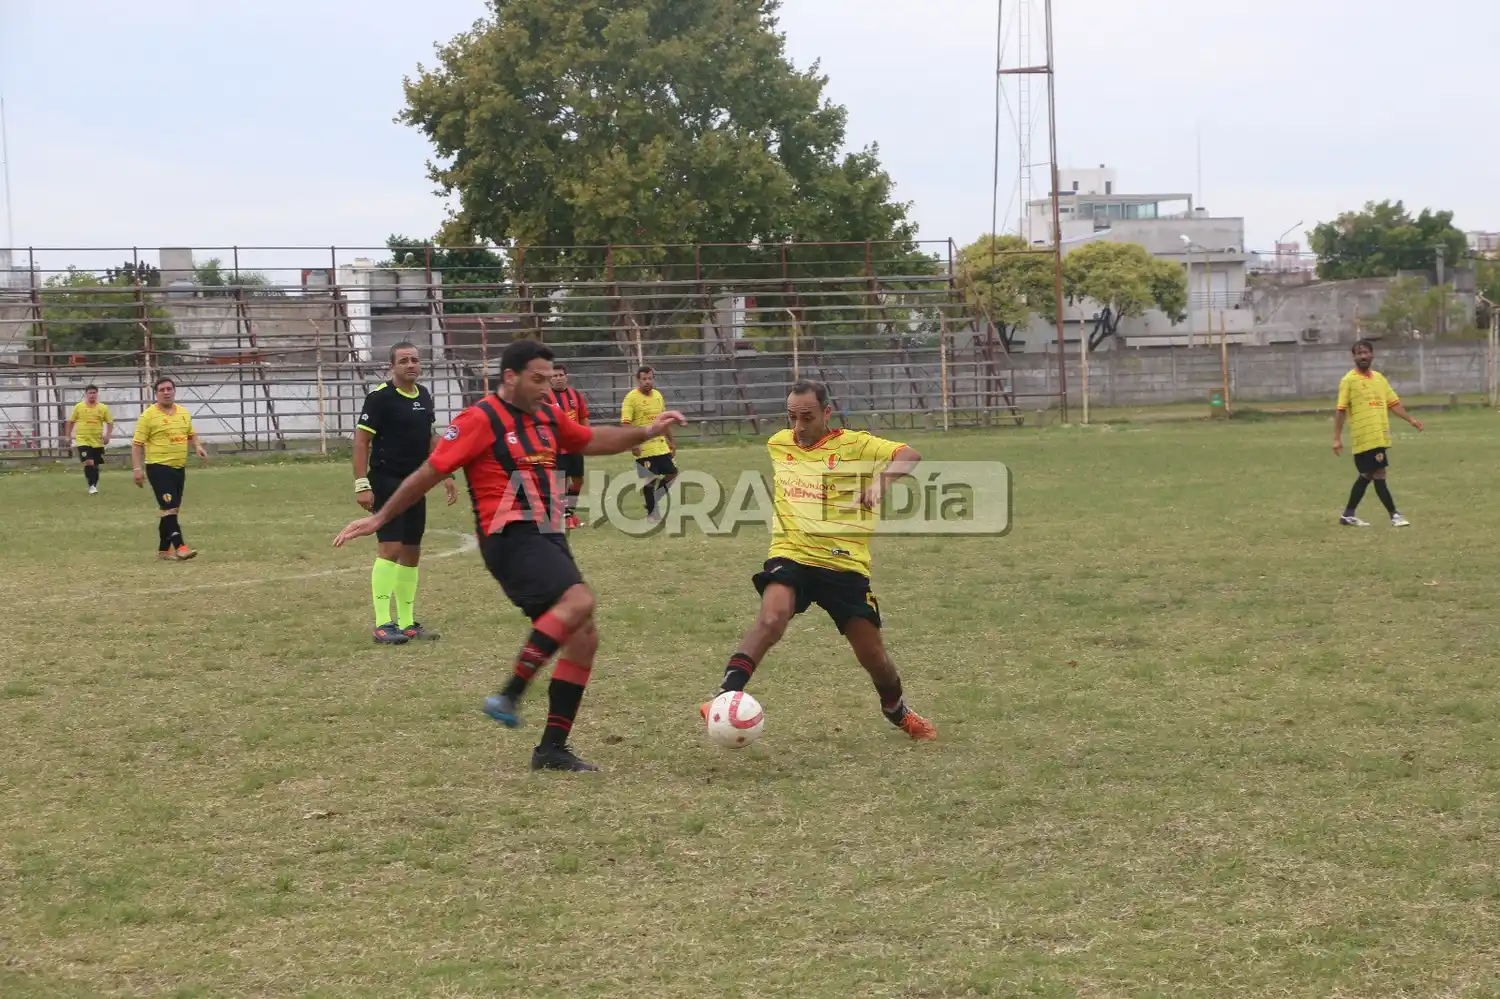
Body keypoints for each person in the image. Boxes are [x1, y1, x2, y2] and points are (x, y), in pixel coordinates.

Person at [333, 338, 686, 772]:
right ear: (511, 378)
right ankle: (510, 693)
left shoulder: (546, 414)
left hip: (547, 533)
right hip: (508, 535)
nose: (546, 387)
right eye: (537, 379)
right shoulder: (479, 419)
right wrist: (379, 516)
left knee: (584, 636)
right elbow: (429, 471)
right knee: (580, 602)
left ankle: (551, 749)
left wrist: (649, 431)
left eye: (548, 378)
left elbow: (592, 439)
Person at [700, 379, 937, 741]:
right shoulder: (778, 444)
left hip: (844, 564)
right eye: (792, 417)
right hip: (792, 554)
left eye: (807, 417)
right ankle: (725, 697)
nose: (798, 426)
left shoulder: (856, 444)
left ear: (827, 413)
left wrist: (880, 483)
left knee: (874, 657)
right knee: (771, 616)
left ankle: (896, 709)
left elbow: (910, 455)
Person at [354, 341, 459, 645]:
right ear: (392, 366)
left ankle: (407, 621)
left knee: (412, 551)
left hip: (416, 482)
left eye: (414, 360)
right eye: (404, 361)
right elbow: (361, 442)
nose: (411, 365)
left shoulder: (424, 395)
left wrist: (446, 472)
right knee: (391, 548)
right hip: (387, 480)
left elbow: (429, 438)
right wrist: (362, 483)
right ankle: (382, 623)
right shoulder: (380, 398)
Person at [1334, 338, 1423, 527]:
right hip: (1364, 437)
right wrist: (1337, 438)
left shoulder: (1380, 379)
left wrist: (1411, 420)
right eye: (1359, 353)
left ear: (1372, 354)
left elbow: (1394, 404)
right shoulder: (1349, 380)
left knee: (1367, 475)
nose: (1363, 356)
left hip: (1379, 436)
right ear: (1354, 357)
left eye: (1366, 352)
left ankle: (1348, 515)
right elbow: (1341, 409)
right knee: (1379, 474)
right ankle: (1394, 515)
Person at [132, 376, 208, 560]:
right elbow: (137, 444)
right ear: (156, 394)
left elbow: (191, 434)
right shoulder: (148, 416)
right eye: (162, 390)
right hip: (158, 468)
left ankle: (163, 551)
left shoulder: (183, 413)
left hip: (178, 468)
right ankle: (180, 547)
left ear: (174, 391)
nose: (166, 392)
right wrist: (137, 469)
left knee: (172, 510)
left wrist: (197, 446)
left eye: (169, 389)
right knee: (169, 508)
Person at [620, 365, 678, 522]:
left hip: (660, 445)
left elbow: (663, 420)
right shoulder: (631, 398)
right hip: (644, 447)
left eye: (650, 378)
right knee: (649, 480)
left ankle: (654, 501)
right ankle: (652, 513)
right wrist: (633, 443)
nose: (647, 382)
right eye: (644, 379)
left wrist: (671, 441)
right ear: (638, 380)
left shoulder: (658, 396)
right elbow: (626, 423)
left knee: (672, 474)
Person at [547, 363, 591, 530]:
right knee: (560, 484)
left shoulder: (576, 396)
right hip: (557, 449)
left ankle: (569, 513)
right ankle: (563, 518)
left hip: (575, 447)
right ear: (550, 379)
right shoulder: (545, 398)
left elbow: (583, 418)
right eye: (554, 376)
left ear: (566, 377)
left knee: (578, 481)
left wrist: (586, 437)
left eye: (560, 375)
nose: (558, 378)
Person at [65, 384, 113, 494]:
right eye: (90, 393)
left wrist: (108, 435)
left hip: (97, 441)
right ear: (86, 394)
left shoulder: (103, 408)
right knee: (89, 462)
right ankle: (91, 486)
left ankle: (93, 484)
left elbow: (110, 422)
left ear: (97, 394)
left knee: (95, 465)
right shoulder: (79, 407)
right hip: (83, 440)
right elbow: (71, 422)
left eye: (94, 393)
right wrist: (68, 435)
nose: (92, 395)